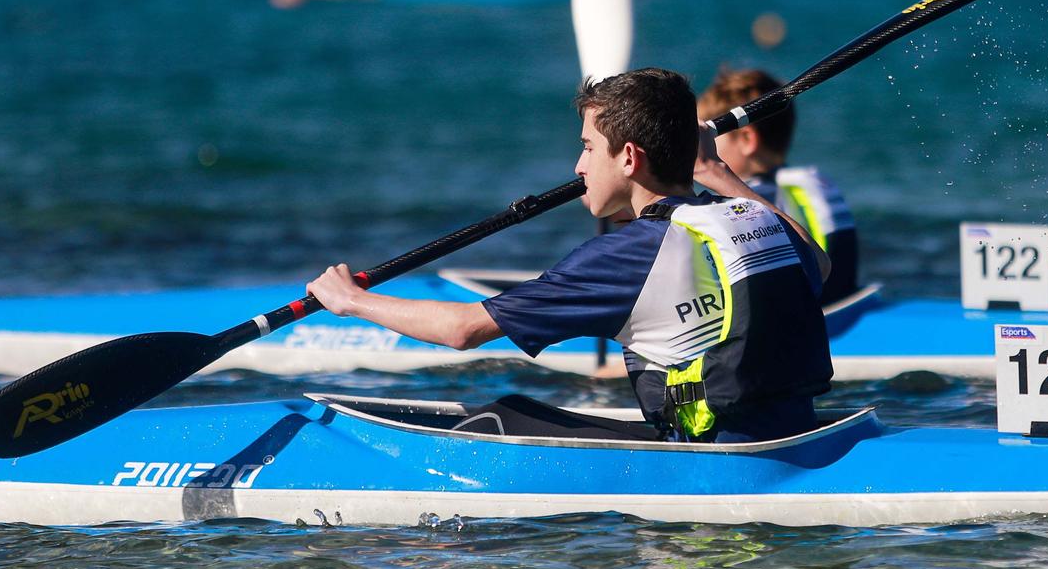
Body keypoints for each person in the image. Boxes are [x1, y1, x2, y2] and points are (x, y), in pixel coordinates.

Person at [308, 68, 834, 443]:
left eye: (587, 146)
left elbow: (462, 330)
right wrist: (717, 173)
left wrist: (353, 301)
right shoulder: (748, 217)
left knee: (502, 417)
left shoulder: (624, 256)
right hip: (794, 436)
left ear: (629, 158)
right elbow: (817, 261)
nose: (579, 165)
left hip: (713, 461)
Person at [697, 66, 862, 301]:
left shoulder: (744, 204)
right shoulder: (811, 182)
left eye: (708, 136)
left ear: (746, 139)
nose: (700, 146)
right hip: (845, 304)